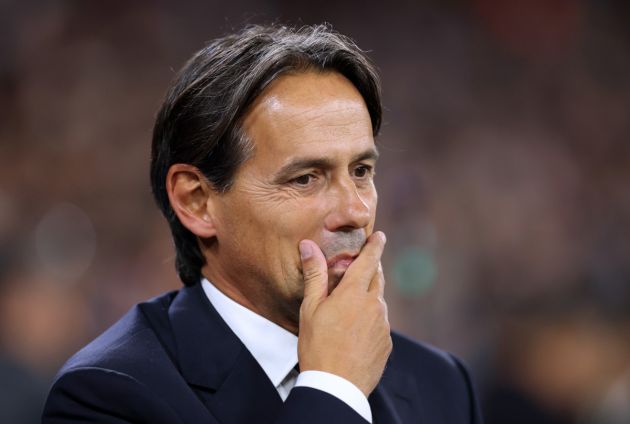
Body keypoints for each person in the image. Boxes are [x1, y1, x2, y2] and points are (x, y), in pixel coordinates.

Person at [42, 24, 483, 423]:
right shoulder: (107, 396)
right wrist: (334, 390)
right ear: (197, 202)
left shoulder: (440, 385)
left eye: (361, 172)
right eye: (306, 178)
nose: (356, 211)